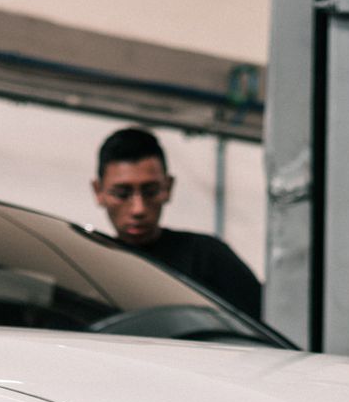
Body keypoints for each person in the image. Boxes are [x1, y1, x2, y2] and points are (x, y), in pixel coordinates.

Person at [91, 127, 263, 319]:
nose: (138, 209)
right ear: (98, 191)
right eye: (122, 194)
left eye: (150, 192)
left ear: (168, 187)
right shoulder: (85, 266)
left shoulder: (208, 257)